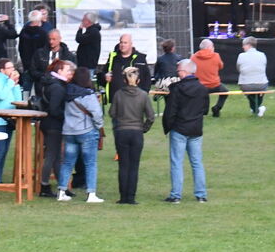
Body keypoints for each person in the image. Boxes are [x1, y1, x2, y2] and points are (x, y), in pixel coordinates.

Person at [163, 59, 209, 203]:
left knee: (177, 162)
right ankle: (201, 194)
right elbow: (205, 110)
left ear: (183, 72)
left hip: (179, 128)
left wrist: (168, 126)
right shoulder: (202, 89)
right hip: (196, 129)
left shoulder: (176, 88)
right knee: (197, 162)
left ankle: (176, 195)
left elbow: (170, 110)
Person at [57, 66, 103, 203]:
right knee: (90, 163)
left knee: (67, 163)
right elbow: (97, 113)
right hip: (86, 130)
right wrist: (99, 127)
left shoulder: (67, 92)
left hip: (69, 131)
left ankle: (61, 191)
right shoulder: (88, 94)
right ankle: (91, 193)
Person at [109, 66, 154, 204]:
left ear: (124, 80)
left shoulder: (118, 94)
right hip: (136, 132)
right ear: (139, 80)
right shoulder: (143, 95)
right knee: (134, 166)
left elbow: (112, 113)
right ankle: (131, 197)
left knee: (123, 165)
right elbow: (151, 117)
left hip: (122, 131)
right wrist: (143, 128)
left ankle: (123, 197)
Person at [37, 59, 73, 197]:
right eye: (67, 70)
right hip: (54, 125)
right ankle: (44, 186)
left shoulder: (50, 83)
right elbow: (54, 109)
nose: (69, 72)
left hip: (48, 124)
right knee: (52, 156)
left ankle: (61, 186)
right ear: (59, 71)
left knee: (56, 156)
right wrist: (66, 116)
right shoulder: (58, 87)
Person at [101, 33, 151, 105]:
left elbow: (147, 78)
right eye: (121, 42)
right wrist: (105, 77)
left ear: (131, 44)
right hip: (116, 99)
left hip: (134, 100)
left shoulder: (140, 58)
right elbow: (103, 73)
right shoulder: (113, 57)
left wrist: (144, 95)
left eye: (125, 43)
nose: (122, 45)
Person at [191, 38, 229, 117]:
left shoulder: (193, 57)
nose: (213, 48)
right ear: (209, 47)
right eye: (212, 47)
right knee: (225, 91)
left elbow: (191, 70)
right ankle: (217, 107)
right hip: (214, 85)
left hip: (199, 85)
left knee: (204, 91)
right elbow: (221, 66)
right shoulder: (216, 56)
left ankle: (204, 111)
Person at [32, 28, 75, 95]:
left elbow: (73, 72)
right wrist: (44, 76)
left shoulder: (69, 56)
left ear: (60, 39)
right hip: (42, 88)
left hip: (63, 89)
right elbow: (33, 70)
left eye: (54, 39)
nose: (51, 42)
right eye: (49, 39)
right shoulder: (39, 53)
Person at [237, 36, 269, 116]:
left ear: (249, 45)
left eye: (244, 45)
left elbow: (239, 69)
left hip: (245, 85)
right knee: (259, 89)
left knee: (249, 90)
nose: (242, 47)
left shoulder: (241, 56)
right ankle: (257, 109)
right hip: (261, 85)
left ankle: (256, 109)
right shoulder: (262, 55)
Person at [18, 9, 48, 92]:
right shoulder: (43, 33)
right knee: (40, 88)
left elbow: (20, 48)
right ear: (39, 19)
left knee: (26, 87)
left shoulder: (23, 32)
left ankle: (24, 102)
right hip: (39, 66)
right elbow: (45, 49)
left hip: (26, 63)